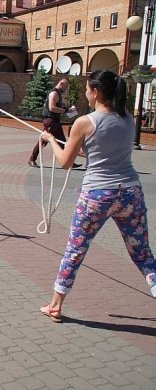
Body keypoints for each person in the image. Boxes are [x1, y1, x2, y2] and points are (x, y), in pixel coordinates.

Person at [39, 70, 156, 323]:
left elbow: (65, 162)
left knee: (75, 250)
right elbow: (104, 153)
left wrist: (50, 139)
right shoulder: (128, 120)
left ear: (97, 92)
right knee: (143, 254)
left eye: (87, 89)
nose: (85, 93)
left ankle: (56, 306)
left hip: (98, 194)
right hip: (131, 193)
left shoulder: (85, 121)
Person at [28, 77, 79, 168]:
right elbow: (52, 108)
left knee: (62, 142)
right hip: (50, 121)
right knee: (43, 141)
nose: (66, 89)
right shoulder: (54, 93)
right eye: (65, 86)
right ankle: (32, 159)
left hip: (55, 121)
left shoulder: (57, 93)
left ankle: (68, 162)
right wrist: (65, 110)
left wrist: (66, 109)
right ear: (61, 84)